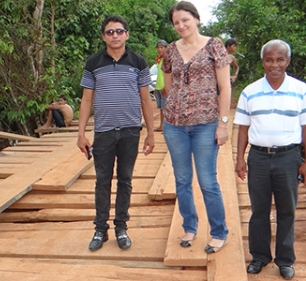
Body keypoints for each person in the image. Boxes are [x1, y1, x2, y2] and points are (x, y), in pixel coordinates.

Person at [234, 39, 306, 280]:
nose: (275, 64)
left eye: (280, 59)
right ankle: (260, 257)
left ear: (288, 61)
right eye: (269, 59)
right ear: (263, 62)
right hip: (258, 159)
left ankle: (285, 260)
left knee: (287, 211)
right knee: (259, 211)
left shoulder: (301, 90)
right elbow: (242, 128)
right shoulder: (250, 91)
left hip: (288, 158)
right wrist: (240, 159)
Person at [76, 14, 155, 251]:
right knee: (102, 181)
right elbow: (87, 99)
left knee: (125, 180)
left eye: (119, 31)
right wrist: (81, 133)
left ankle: (121, 227)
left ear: (127, 34)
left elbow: (145, 98)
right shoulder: (93, 63)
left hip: (131, 131)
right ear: (103, 36)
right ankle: (101, 229)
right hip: (103, 132)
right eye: (110, 32)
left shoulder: (138, 62)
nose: (115, 35)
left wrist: (151, 132)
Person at [162, 1, 231, 254]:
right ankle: (189, 227)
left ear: (197, 19)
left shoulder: (214, 45)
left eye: (185, 20)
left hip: (206, 124)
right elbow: (168, 87)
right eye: (176, 22)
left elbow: (225, 88)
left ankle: (218, 231)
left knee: (207, 181)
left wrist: (222, 124)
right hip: (175, 126)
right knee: (181, 180)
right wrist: (175, 107)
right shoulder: (170, 50)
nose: (181, 25)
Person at [154, 39, 168, 132]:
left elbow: (169, 75)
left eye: (162, 47)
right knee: (161, 108)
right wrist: (156, 88)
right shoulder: (159, 60)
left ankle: (167, 127)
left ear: (166, 48)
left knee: (166, 108)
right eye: (158, 47)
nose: (159, 49)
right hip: (158, 87)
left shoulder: (167, 60)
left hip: (164, 87)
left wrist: (166, 87)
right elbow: (159, 75)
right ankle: (161, 126)